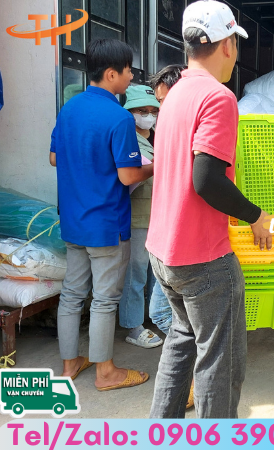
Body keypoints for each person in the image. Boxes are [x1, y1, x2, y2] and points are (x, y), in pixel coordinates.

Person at [146, 0, 274, 419]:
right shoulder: (218, 98)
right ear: (227, 45)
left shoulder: (174, 95)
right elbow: (206, 180)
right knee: (220, 362)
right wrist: (256, 215)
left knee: (181, 341)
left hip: (163, 252)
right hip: (202, 258)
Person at [50, 39, 152, 391]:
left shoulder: (69, 109)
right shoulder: (119, 117)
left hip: (73, 220)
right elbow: (127, 176)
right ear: (111, 74)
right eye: (128, 71)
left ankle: (69, 366)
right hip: (107, 225)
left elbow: (54, 158)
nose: (130, 77)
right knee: (105, 300)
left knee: (72, 294)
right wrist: (155, 166)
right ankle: (105, 373)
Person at [118, 85, 164, 349]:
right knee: (135, 273)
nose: (148, 116)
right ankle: (133, 326)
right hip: (137, 217)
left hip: (159, 217)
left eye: (153, 111)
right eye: (142, 111)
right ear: (130, 112)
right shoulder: (127, 139)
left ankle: (153, 317)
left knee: (156, 274)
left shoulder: (159, 136)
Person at [146, 64, 187, 336]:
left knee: (163, 314)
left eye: (163, 101)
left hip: (179, 240)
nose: (161, 110)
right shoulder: (166, 130)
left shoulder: (187, 129)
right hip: (165, 238)